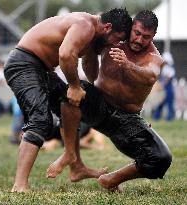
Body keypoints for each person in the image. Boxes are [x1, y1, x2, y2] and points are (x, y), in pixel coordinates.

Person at [3, 8, 132, 192]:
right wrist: (73, 86)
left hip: (41, 68)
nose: (115, 44)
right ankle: (20, 185)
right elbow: (65, 54)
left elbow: (91, 74)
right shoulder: (85, 24)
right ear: (108, 27)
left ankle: (76, 167)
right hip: (23, 64)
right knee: (40, 120)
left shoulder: (93, 35)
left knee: (72, 105)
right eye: (116, 39)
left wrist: (97, 51)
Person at [47, 10, 172, 191]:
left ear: (153, 36)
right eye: (136, 33)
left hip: (127, 119)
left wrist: (127, 65)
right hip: (100, 104)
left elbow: (149, 77)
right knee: (71, 89)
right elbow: (88, 53)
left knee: (161, 159)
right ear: (131, 28)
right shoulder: (114, 40)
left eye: (146, 37)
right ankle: (73, 160)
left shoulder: (154, 57)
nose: (139, 40)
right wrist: (90, 60)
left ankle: (111, 180)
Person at [153, 51, 176, 121]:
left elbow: (168, 79)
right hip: (163, 90)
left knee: (169, 104)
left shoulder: (170, 69)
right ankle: (156, 117)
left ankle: (170, 118)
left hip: (169, 89)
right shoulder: (163, 69)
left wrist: (162, 85)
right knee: (160, 103)